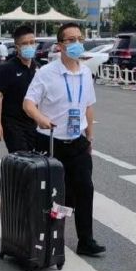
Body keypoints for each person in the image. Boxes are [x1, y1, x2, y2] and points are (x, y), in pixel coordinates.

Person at [23, 23, 106, 257]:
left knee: (85, 189)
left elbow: (88, 107)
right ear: (60, 46)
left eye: (79, 38)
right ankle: (51, 237)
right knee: (55, 194)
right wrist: (40, 118)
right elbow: (28, 103)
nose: (76, 43)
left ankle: (86, 240)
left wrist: (90, 137)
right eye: (71, 40)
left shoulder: (86, 73)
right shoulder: (46, 73)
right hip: (51, 142)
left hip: (77, 142)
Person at [0, 24, 38, 152]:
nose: (29, 46)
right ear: (17, 47)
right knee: (22, 160)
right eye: (25, 43)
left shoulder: (36, 67)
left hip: (32, 123)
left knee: (35, 163)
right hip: (13, 124)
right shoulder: (7, 68)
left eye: (32, 42)